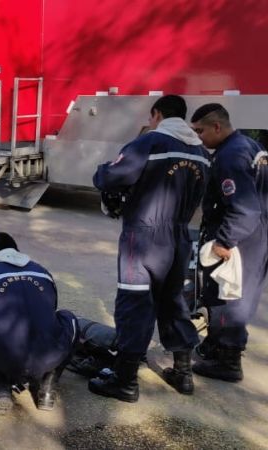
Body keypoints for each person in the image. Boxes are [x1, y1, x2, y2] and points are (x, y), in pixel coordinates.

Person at [88, 95, 210, 402]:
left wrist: (102, 171)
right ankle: (183, 373)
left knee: (135, 303)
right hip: (180, 236)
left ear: (157, 114)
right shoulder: (200, 151)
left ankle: (125, 380)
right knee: (173, 302)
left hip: (144, 237)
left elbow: (111, 177)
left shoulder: (150, 142)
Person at [190, 104, 268, 382]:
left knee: (229, 296)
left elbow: (244, 209)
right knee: (238, 293)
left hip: (241, 237)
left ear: (217, 127)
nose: (199, 137)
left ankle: (228, 360)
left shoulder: (230, 156)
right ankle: (215, 344)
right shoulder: (249, 145)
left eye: (200, 131)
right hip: (257, 234)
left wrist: (223, 240)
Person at [0, 232, 77, 414]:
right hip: (49, 356)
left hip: (5, 359)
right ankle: (47, 389)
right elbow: (51, 310)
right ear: (16, 250)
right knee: (68, 318)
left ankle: (2, 388)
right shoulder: (42, 272)